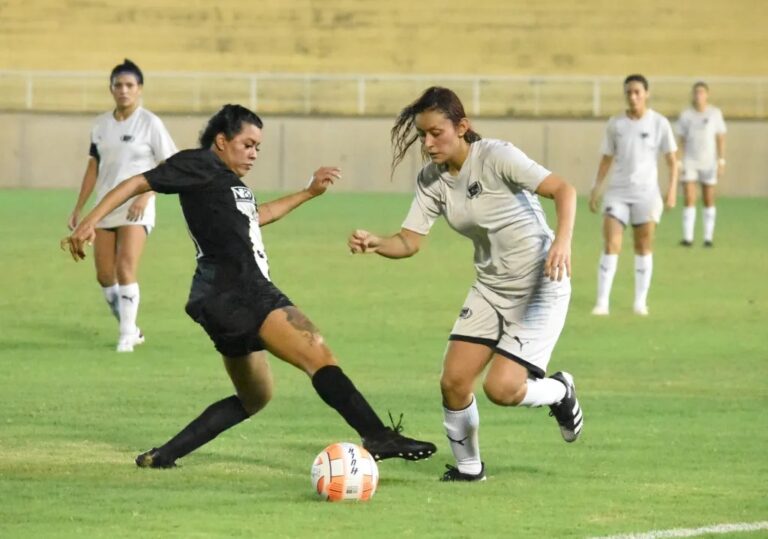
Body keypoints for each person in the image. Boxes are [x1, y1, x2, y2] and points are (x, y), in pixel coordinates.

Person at [62, 104, 436, 468]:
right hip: (242, 289)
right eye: (248, 144)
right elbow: (138, 181)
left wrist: (307, 193)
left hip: (219, 298)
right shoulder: (200, 163)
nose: (255, 153)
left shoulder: (227, 183)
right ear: (221, 141)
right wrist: (90, 221)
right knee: (317, 353)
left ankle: (163, 455)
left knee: (255, 397)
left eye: (259, 146)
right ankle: (377, 436)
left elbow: (257, 217)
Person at [347, 87, 583, 482]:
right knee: (454, 381)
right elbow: (409, 241)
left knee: (502, 389)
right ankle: (469, 467)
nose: (428, 142)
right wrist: (377, 243)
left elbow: (564, 190)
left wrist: (562, 241)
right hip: (491, 287)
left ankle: (560, 390)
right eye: (423, 134)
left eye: (436, 132)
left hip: (540, 282)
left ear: (462, 127)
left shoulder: (496, 156)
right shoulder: (432, 180)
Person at [67, 59, 178, 352]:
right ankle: (129, 326)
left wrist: (146, 195)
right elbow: (94, 167)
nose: (124, 90)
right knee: (105, 275)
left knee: (125, 266)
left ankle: (126, 336)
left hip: (136, 208)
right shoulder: (101, 125)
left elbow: (169, 165)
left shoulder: (150, 123)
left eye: (130, 85)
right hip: (106, 207)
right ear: (111, 89)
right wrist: (80, 208)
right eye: (118, 85)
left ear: (140, 89)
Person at [589, 74, 679, 316]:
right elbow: (606, 158)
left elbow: (672, 160)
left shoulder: (659, 123)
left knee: (643, 245)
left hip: (646, 195)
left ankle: (640, 302)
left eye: (637, 92)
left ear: (646, 94)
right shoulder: (615, 123)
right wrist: (596, 187)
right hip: (617, 193)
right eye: (629, 92)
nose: (633, 96)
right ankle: (602, 302)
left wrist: (671, 190)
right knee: (611, 244)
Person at [676, 82, 727, 247]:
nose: (699, 95)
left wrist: (721, 160)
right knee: (689, 197)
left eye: (702, 92)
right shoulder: (686, 115)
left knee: (708, 198)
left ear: (707, 95)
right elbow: (681, 139)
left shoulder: (714, 113)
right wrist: (678, 161)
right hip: (690, 161)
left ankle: (708, 238)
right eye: (696, 92)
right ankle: (688, 238)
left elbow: (720, 137)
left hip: (709, 161)